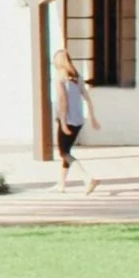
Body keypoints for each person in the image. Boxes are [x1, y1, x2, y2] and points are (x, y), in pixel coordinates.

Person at [52, 48, 100, 194]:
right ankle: (61, 184)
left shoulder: (60, 78)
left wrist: (63, 123)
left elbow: (63, 102)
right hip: (79, 121)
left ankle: (87, 178)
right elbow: (87, 97)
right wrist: (92, 117)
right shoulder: (77, 77)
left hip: (67, 120)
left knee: (63, 152)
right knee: (66, 151)